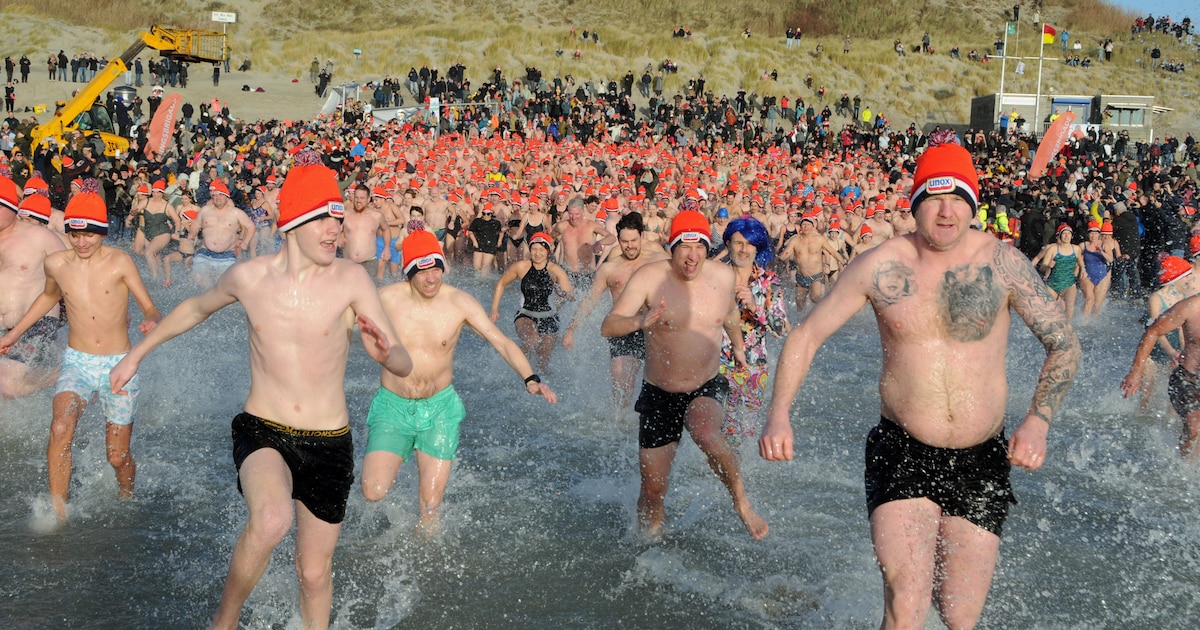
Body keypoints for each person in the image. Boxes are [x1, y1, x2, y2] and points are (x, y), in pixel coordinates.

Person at [759, 133, 1081, 629]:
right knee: (906, 604)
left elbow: (1063, 342)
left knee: (959, 615)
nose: (947, 211)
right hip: (902, 451)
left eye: (959, 199)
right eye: (935, 197)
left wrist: (1037, 421)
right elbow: (806, 335)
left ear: (973, 204)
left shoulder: (1003, 264)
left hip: (982, 459)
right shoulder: (881, 266)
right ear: (915, 204)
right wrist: (778, 413)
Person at [108, 151, 413, 629]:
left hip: (330, 443)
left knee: (312, 574)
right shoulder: (249, 278)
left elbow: (402, 357)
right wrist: (136, 354)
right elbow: (194, 308)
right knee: (271, 520)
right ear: (293, 224)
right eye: (323, 221)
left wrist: (386, 355)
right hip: (263, 429)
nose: (336, 231)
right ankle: (223, 622)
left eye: (337, 220)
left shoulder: (352, 279)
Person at [362, 229, 558, 532]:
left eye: (437, 270)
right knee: (373, 491)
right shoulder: (386, 299)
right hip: (393, 407)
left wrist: (530, 378)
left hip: (440, 408)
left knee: (430, 506)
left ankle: (425, 560)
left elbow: (502, 341)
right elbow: (339, 324)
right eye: (423, 272)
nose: (432, 279)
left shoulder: (459, 303)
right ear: (409, 272)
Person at [601, 209, 768, 541]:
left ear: (708, 248)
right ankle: (648, 546)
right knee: (652, 493)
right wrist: (639, 321)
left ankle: (741, 501)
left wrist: (737, 349)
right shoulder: (649, 278)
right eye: (685, 248)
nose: (693, 257)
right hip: (659, 394)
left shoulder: (722, 277)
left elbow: (731, 314)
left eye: (700, 248)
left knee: (705, 430)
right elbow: (609, 325)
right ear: (672, 247)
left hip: (706, 384)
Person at [0, 180, 161, 522]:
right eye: (75, 234)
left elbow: (149, 306)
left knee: (116, 456)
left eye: (89, 233)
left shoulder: (120, 262)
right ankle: (58, 511)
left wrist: (150, 318)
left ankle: (126, 496)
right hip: (77, 361)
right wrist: (14, 334)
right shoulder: (58, 264)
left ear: (102, 232)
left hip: (118, 365)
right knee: (60, 427)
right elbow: (47, 298)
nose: (82, 241)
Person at [562, 212, 669, 410]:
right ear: (618, 240)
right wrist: (571, 329)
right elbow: (590, 300)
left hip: (655, 329)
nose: (630, 246)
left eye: (634, 240)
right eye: (625, 241)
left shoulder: (660, 260)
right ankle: (620, 428)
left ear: (642, 236)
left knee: (662, 387)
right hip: (624, 328)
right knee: (621, 383)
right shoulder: (610, 268)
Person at [719, 216, 790, 446]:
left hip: (753, 368)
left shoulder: (769, 281)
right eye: (738, 243)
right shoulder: (713, 275)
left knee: (747, 434)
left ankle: (740, 477)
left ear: (757, 247)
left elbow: (780, 328)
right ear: (728, 244)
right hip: (714, 364)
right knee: (718, 430)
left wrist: (754, 306)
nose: (743, 250)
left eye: (750, 244)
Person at [0, 177, 67, 398]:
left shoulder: (40, 237)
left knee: (7, 385)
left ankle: (67, 374)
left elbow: (73, 276)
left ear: (12, 207)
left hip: (36, 323)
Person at [1123, 276, 1200, 459]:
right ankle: (1184, 468)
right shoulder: (1190, 307)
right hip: (1187, 379)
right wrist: (1136, 372)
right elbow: (1153, 331)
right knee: (1194, 426)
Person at [490, 231, 575, 373]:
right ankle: (515, 371)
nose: (537, 253)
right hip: (525, 314)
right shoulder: (521, 267)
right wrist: (494, 309)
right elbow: (501, 283)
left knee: (543, 362)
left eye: (541, 250)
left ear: (547, 251)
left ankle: (539, 385)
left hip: (549, 317)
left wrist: (563, 293)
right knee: (531, 341)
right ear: (529, 250)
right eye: (534, 249)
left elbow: (571, 295)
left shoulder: (555, 271)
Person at [192, 180, 255, 290]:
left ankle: (217, 303)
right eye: (215, 195)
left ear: (227, 197)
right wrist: (192, 234)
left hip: (227, 255)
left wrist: (245, 242)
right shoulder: (205, 210)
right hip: (205, 252)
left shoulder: (236, 212)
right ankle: (206, 302)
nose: (218, 198)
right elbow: (196, 224)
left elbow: (251, 226)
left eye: (221, 195)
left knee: (224, 286)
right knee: (199, 279)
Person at [1031, 224, 1083, 317]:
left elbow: (1080, 262)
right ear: (1058, 236)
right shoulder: (1052, 248)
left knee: (1068, 308)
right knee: (1050, 310)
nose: (1066, 236)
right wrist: (1047, 267)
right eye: (1064, 234)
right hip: (1052, 283)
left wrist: (1082, 270)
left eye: (1068, 234)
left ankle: (1067, 328)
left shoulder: (1076, 249)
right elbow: (1040, 264)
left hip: (1069, 283)